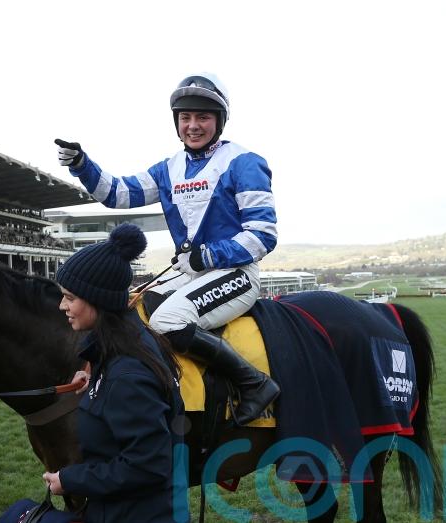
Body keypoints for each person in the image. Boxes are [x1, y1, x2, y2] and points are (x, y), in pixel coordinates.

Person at [55, 73, 279, 426]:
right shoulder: (169, 169)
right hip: (190, 273)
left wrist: (206, 256)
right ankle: (100, 378)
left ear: (219, 121)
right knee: (125, 307)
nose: (193, 126)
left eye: (203, 117)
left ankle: (255, 383)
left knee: (167, 320)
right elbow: (118, 193)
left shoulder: (244, 162)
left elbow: (263, 235)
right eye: (185, 118)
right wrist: (83, 165)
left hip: (236, 273)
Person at [42, 223, 185, 523]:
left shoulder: (127, 376)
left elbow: (148, 465)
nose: (61, 305)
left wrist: (70, 480)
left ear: (98, 300)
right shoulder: (120, 349)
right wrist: (95, 378)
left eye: (70, 297)